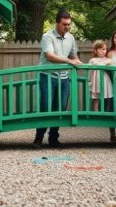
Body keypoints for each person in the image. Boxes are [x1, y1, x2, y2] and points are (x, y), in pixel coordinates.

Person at [33, 9, 82, 148]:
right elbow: (50, 56)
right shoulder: (47, 36)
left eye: (69, 24)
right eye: (64, 24)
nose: (67, 27)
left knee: (60, 108)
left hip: (64, 77)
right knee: (45, 107)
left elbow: (73, 56)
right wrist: (69, 61)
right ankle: (38, 138)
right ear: (57, 23)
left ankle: (53, 139)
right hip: (47, 76)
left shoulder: (71, 38)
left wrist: (78, 62)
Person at [88, 40, 114, 141]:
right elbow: (89, 71)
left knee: (107, 97)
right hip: (96, 80)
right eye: (101, 49)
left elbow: (111, 66)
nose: (103, 51)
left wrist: (105, 64)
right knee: (96, 98)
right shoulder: (92, 60)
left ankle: (106, 114)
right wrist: (89, 81)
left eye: (104, 49)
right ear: (96, 50)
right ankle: (95, 113)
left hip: (105, 80)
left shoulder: (108, 60)